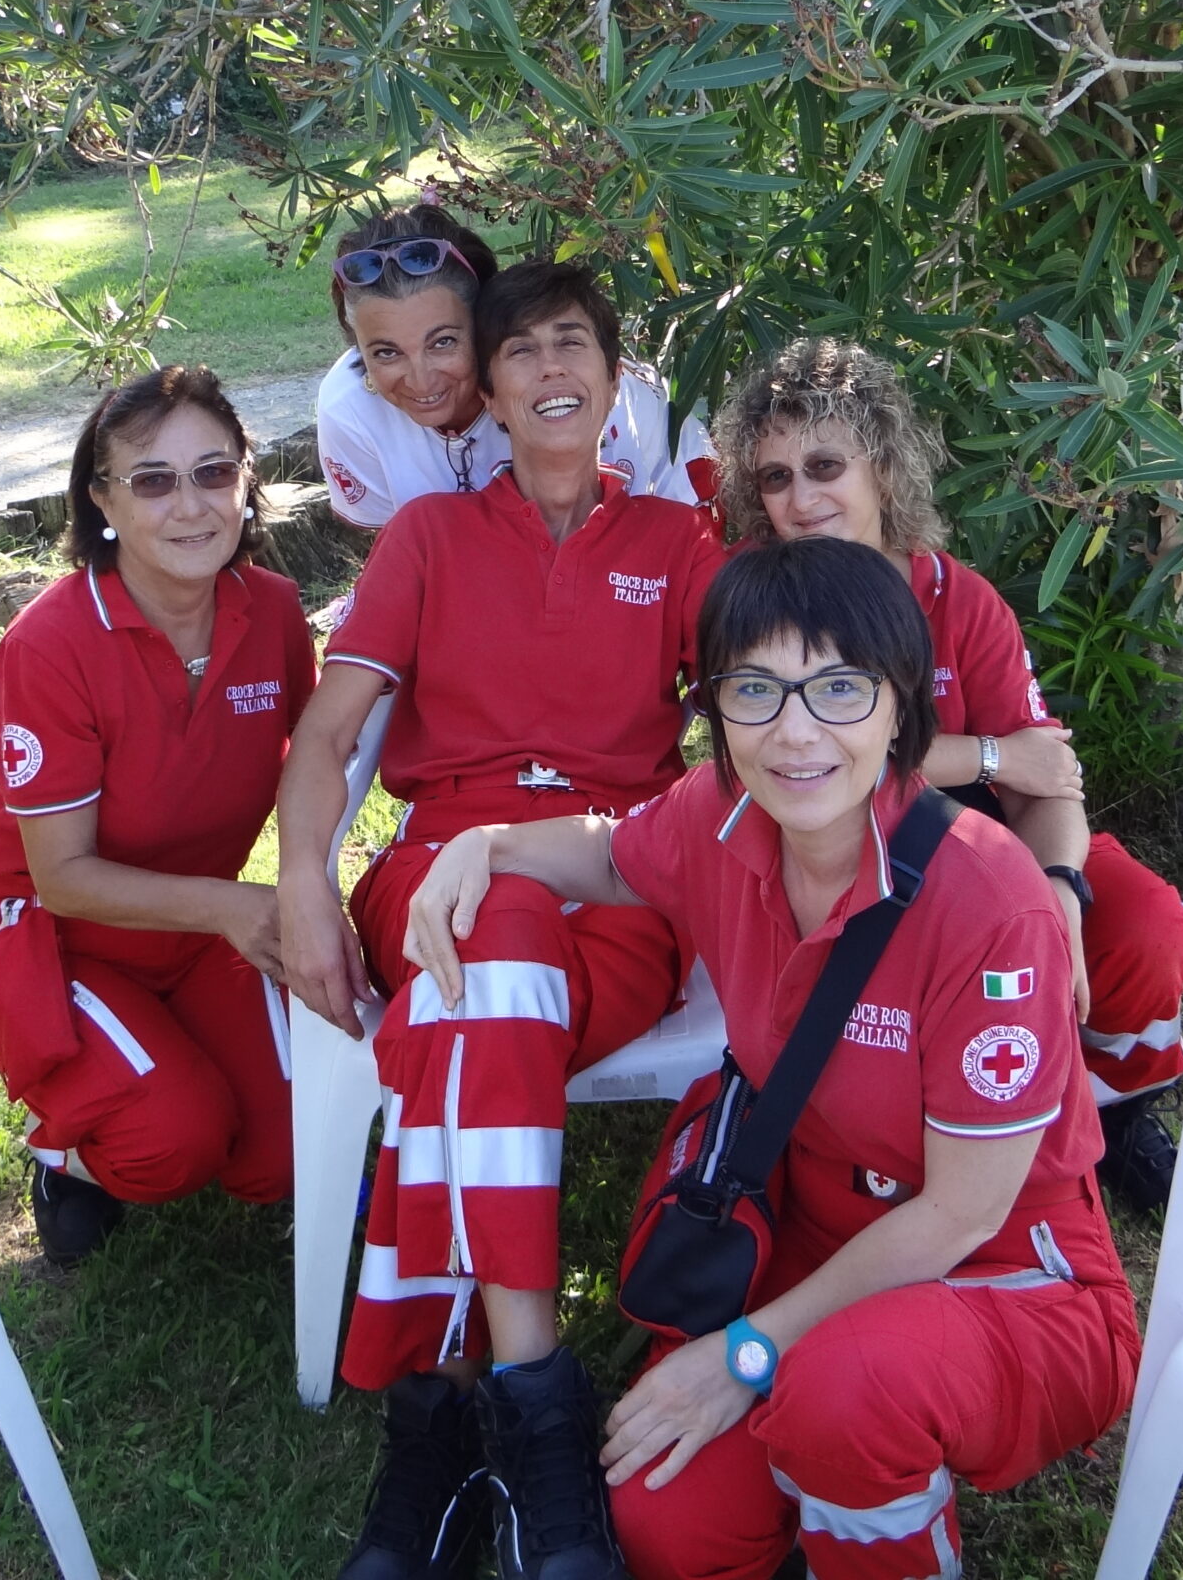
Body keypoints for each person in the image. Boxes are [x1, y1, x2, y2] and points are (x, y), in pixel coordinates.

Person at [403, 538, 1140, 1580]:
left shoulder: (990, 903)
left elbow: (964, 1212)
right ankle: (834, 1484)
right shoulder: (722, 814)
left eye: (838, 688)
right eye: (754, 689)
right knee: (666, 1519)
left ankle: (877, 1519)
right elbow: (613, 853)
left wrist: (746, 1353)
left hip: (1013, 1271)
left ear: (899, 711)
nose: (795, 733)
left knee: (843, 1393)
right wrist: (487, 843)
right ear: (713, 707)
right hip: (813, 1228)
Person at [278, 260, 727, 1580]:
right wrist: (304, 875)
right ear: (490, 382)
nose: (546, 372)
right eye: (518, 351)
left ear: (616, 373)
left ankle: (443, 1412)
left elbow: (764, 712)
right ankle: (535, 1409)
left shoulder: (677, 548)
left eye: (571, 345)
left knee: (498, 962)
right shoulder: (429, 541)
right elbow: (329, 733)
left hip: (614, 880)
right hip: (431, 882)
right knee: (495, 942)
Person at [715, 338, 1183, 1212]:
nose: (801, 496)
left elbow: (1048, 776)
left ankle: (1116, 1111)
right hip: (845, 858)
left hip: (991, 844)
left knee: (1144, 920)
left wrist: (1059, 887)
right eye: (776, 477)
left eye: (825, 464)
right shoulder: (758, 597)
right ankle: (928, 1134)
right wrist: (987, 755)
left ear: (884, 469)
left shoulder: (957, 598)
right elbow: (784, 746)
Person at [0, 365, 316, 1266]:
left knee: (284, 1153)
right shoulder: (48, 644)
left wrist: (308, 885)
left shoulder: (270, 610)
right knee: (174, 1144)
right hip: (57, 934)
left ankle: (168, 1069)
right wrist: (236, 908)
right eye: (152, 480)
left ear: (247, 479)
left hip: (194, 928)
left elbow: (307, 772)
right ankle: (70, 1160)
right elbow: (62, 877)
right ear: (103, 500)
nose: (190, 506)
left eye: (213, 472)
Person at [313, 200, 718, 525]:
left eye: (443, 342)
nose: (420, 379)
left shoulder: (603, 397)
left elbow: (698, 543)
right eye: (386, 352)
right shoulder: (348, 408)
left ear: (485, 323)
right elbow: (398, 558)